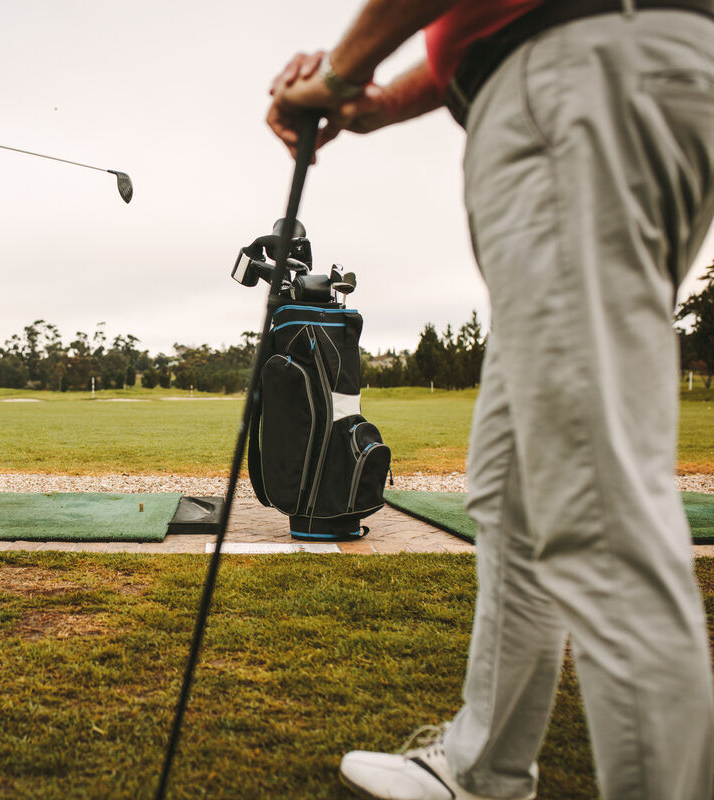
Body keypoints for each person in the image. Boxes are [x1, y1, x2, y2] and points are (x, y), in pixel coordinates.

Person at [267, 1, 714, 798]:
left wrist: (340, 73)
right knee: (513, 488)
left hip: (576, 69)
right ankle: (482, 767)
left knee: (594, 503)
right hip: (595, 67)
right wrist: (373, 104)